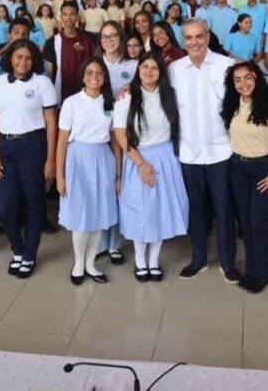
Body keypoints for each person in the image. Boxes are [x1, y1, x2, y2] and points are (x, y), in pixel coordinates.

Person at [168, 18, 238, 282]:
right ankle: (198, 259)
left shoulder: (226, 66)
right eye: (189, 38)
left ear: (208, 36)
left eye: (199, 36)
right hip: (188, 152)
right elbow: (153, 91)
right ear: (183, 40)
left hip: (221, 151)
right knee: (195, 210)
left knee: (223, 210)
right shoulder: (174, 69)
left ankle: (228, 262)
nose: (194, 42)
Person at [221, 61, 268, 293]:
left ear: (256, 79)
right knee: (245, 224)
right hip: (237, 168)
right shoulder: (232, 105)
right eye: (237, 80)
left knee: (258, 224)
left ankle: (261, 273)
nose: (243, 84)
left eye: (248, 78)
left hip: (262, 169)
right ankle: (251, 268)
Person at [113, 52, 188, 282]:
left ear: (161, 73)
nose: (148, 72)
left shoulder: (169, 96)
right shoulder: (127, 97)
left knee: (160, 211)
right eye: (144, 67)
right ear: (138, 70)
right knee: (141, 211)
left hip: (165, 156)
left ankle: (154, 261)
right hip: (137, 156)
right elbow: (120, 134)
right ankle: (140, 261)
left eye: (154, 68)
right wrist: (141, 164)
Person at [0, 39, 58, 279]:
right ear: (10, 58)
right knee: (5, 206)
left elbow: (51, 122)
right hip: (5, 146)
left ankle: (29, 254)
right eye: (18, 57)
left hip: (33, 146)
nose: (23, 62)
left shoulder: (42, 83)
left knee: (34, 202)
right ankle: (17, 248)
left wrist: (50, 158)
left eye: (28, 57)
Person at [56, 58, 120, 284]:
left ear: (105, 77)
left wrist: (118, 174)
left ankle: (91, 263)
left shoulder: (111, 103)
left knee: (98, 214)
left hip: (103, 159)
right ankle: (79, 263)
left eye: (99, 73)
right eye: (90, 73)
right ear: (83, 76)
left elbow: (115, 141)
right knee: (81, 215)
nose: (94, 77)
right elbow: (62, 141)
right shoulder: (72, 103)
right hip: (77, 160)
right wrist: (60, 175)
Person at [95, 20, 138, 264]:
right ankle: (101, 241)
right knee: (103, 186)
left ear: (121, 38)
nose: (109, 40)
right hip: (100, 133)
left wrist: (132, 85)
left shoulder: (133, 65)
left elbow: (143, 88)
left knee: (120, 184)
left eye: (113, 36)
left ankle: (115, 244)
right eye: (104, 36)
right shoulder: (94, 66)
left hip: (124, 131)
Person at [43, 2, 95, 105]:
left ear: (77, 16)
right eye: (65, 14)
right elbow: (49, 71)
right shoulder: (52, 41)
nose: (69, 18)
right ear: (61, 17)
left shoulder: (88, 40)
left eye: (72, 14)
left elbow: (94, 66)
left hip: (84, 93)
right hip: (60, 94)